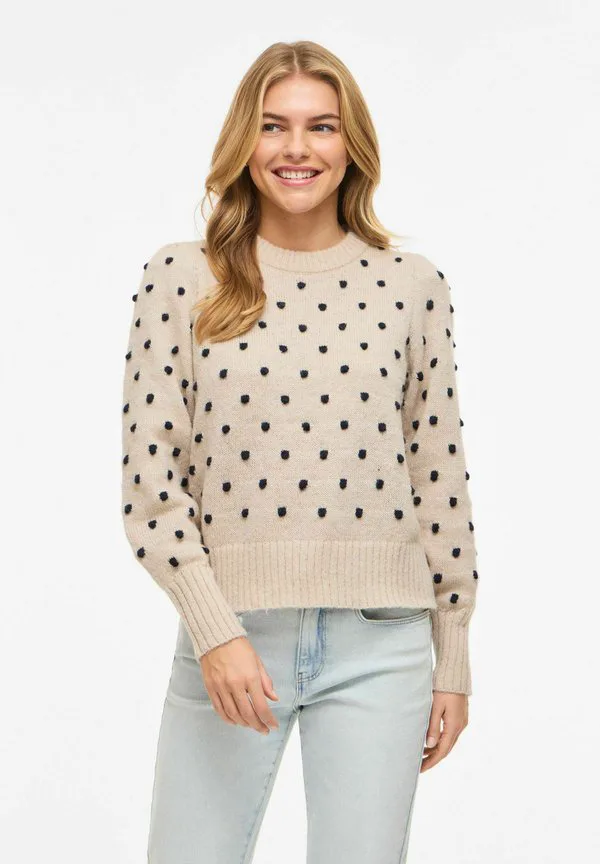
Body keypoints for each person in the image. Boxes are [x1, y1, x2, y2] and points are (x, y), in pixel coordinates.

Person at [121, 40, 479, 864]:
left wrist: (453, 654)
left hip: (384, 642)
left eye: (321, 126)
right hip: (231, 631)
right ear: (243, 142)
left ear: (352, 144)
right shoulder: (183, 277)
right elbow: (151, 483)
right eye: (273, 125)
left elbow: (440, 476)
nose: (296, 148)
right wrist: (214, 631)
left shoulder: (411, 285)